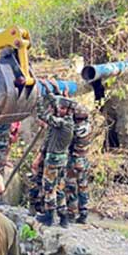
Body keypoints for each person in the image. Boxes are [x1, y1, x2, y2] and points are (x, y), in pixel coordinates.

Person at [32, 86, 74, 227]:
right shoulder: (68, 122)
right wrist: (51, 92)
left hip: (53, 161)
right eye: (60, 108)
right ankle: (63, 218)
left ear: (68, 111)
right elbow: (56, 105)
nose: (60, 110)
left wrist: (38, 98)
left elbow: (44, 117)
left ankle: (49, 217)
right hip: (61, 160)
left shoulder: (62, 123)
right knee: (60, 189)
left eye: (63, 109)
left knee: (49, 188)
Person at [65, 103, 92, 224]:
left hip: (75, 160)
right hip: (84, 160)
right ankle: (83, 213)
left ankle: (71, 213)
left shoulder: (75, 129)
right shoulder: (88, 126)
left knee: (71, 187)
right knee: (83, 187)